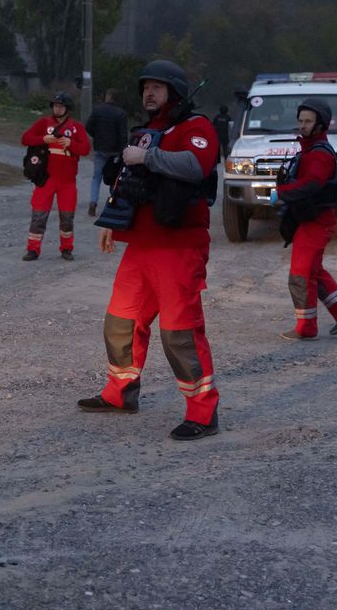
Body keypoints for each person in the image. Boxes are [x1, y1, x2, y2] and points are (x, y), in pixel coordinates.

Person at [78, 60, 221, 441]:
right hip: (140, 245)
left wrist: (149, 158)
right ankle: (120, 392)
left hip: (179, 248)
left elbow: (195, 165)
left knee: (180, 334)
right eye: (145, 88)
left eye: (157, 87)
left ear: (175, 93)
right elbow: (128, 181)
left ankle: (203, 412)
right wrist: (112, 219)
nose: (149, 93)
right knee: (120, 322)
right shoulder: (144, 133)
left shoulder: (197, 128)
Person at [275, 97, 337, 340]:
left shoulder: (319, 154)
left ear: (321, 124)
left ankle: (306, 328)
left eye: (308, 121)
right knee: (312, 270)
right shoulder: (310, 150)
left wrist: (280, 193)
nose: (302, 125)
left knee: (300, 273)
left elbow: (312, 184)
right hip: (311, 219)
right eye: (300, 120)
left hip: (317, 221)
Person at [20, 92, 91, 261]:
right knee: (39, 215)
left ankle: (66, 248)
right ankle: (33, 249)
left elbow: (86, 149)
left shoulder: (76, 127)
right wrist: (43, 138)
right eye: (55, 105)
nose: (57, 108)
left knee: (67, 218)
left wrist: (71, 144)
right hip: (46, 179)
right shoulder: (43, 123)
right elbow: (25, 138)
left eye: (61, 106)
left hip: (67, 182)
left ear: (67, 108)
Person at [84, 89, 128, 217]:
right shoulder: (121, 113)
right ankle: (113, 201)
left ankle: (93, 202)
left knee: (96, 177)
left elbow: (88, 126)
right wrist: (122, 151)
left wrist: (96, 136)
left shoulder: (98, 110)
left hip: (100, 148)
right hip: (115, 151)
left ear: (108, 96)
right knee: (115, 178)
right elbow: (123, 135)